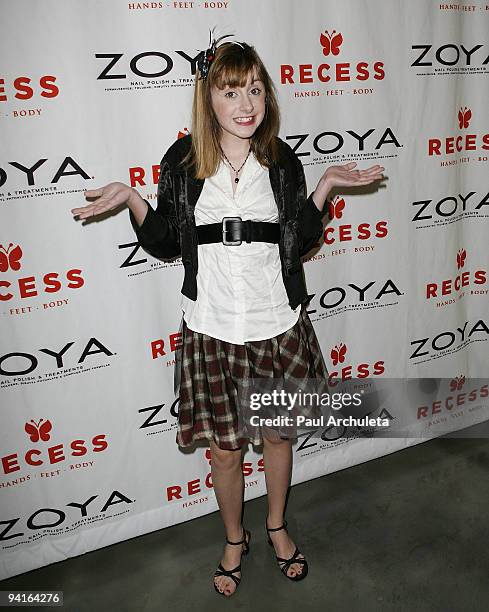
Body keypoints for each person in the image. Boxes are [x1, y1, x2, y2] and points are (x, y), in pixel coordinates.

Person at [71, 34, 384, 598]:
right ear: (207, 97)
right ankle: (234, 539)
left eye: (255, 90)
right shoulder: (183, 161)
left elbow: (299, 239)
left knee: (278, 440)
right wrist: (133, 201)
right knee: (224, 450)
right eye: (231, 91)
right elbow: (167, 242)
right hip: (212, 327)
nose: (246, 105)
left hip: (275, 325)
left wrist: (326, 188)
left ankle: (278, 525)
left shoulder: (281, 160)